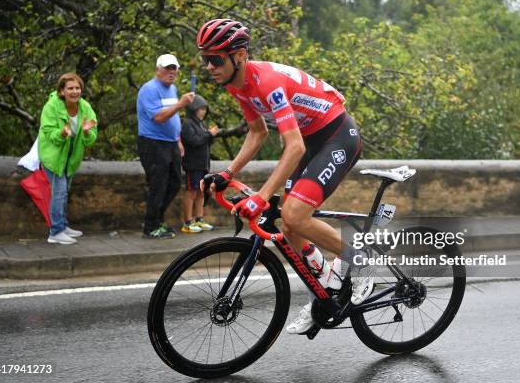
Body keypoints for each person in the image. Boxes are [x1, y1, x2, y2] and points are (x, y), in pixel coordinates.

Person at [197, 19, 373, 334]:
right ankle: (326, 292)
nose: (209, 66)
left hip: (337, 134)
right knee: (290, 225)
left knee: (294, 212)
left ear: (239, 56)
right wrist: (227, 172)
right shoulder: (239, 85)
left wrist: (261, 197)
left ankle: (359, 258)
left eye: (216, 59)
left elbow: (293, 148)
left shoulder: (264, 82)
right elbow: (257, 131)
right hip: (310, 138)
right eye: (204, 58)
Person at [137, 54, 195, 239]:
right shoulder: (149, 89)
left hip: (170, 142)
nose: (171, 72)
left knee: (175, 183)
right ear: (158, 69)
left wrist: (177, 139)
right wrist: (181, 104)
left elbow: (173, 118)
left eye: (174, 69)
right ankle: (150, 226)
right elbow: (159, 117)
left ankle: (158, 220)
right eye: (167, 68)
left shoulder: (173, 89)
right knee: (158, 185)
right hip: (153, 143)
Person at [38, 72, 98, 245]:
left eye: (77, 88)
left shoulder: (85, 107)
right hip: (54, 157)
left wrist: (86, 132)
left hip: (71, 158)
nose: (74, 91)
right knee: (59, 193)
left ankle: (63, 226)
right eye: (70, 88)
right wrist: (62, 133)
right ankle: (55, 232)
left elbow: (92, 136)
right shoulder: (52, 106)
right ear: (62, 91)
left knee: (64, 193)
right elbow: (48, 133)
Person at [180, 95, 220, 233]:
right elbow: (193, 141)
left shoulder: (200, 124)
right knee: (191, 192)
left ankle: (199, 219)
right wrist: (209, 134)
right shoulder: (187, 124)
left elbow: (205, 142)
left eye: (204, 109)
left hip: (203, 164)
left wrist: (210, 136)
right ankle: (187, 222)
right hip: (193, 165)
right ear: (193, 109)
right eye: (200, 109)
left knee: (201, 192)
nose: (203, 112)